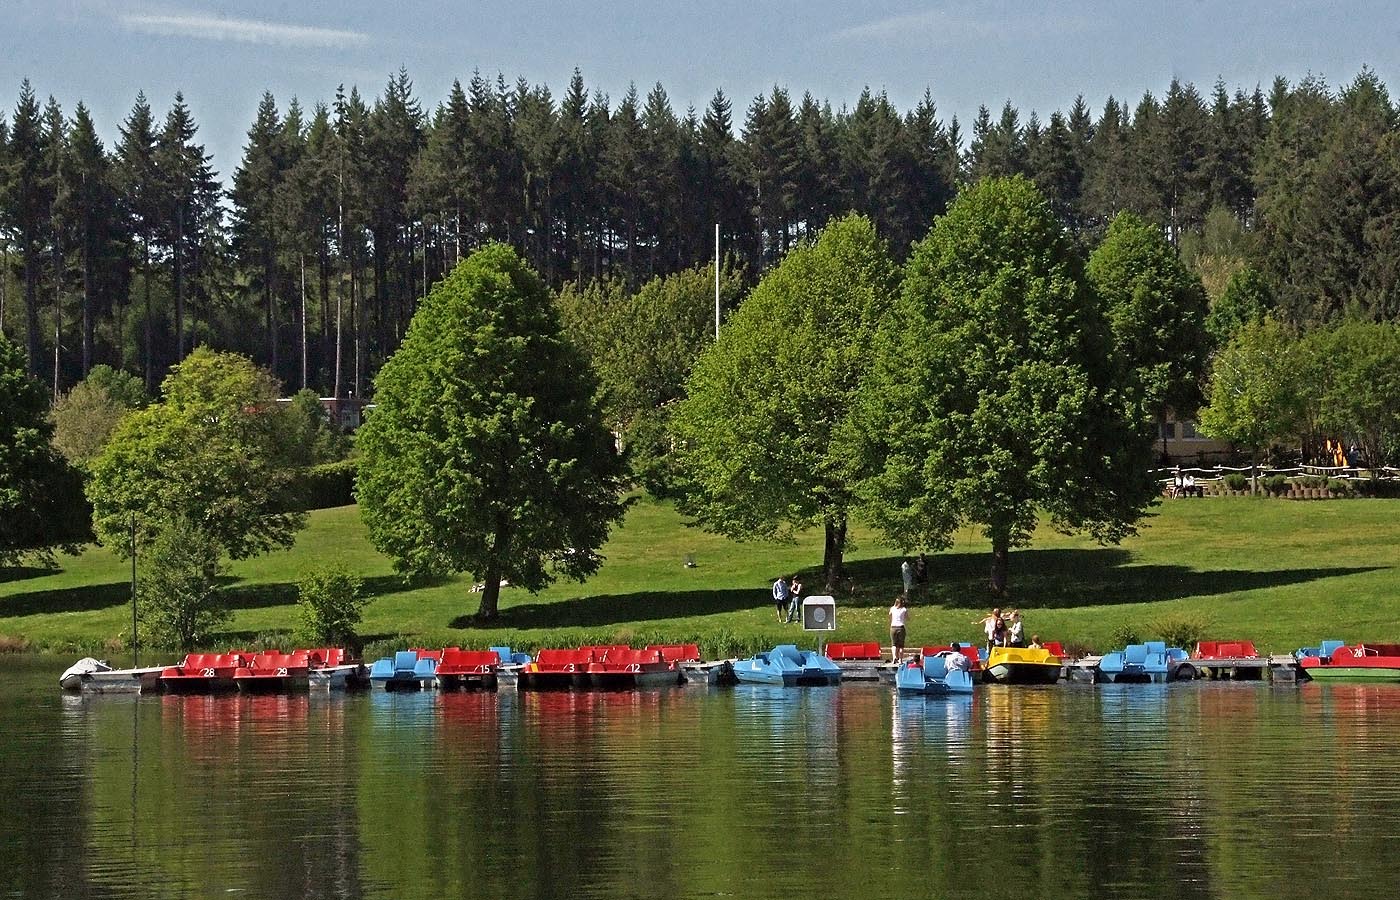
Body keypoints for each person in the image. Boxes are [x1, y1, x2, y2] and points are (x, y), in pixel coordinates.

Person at [889, 596, 909, 662]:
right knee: (901, 645)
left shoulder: (892, 608)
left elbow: (889, 614)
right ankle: (900, 660)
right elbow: (907, 618)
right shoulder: (904, 609)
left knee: (893, 644)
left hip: (893, 627)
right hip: (901, 627)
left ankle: (894, 657)